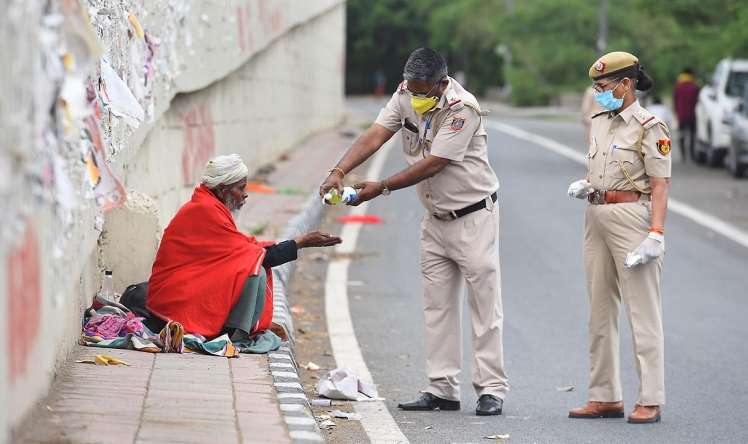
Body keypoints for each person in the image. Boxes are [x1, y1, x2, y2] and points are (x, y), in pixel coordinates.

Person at [319, 48, 509, 416]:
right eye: (412, 89)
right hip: (435, 219)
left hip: (473, 218)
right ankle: (442, 389)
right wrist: (338, 171)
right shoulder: (405, 93)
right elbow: (376, 134)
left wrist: (382, 186)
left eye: (424, 91)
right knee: (437, 306)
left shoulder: (461, 108)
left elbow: (435, 163)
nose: (416, 97)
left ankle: (491, 389)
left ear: (442, 83)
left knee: (484, 308)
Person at [567, 52, 671, 424]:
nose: (598, 94)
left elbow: (659, 185)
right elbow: (600, 166)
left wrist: (655, 234)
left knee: (642, 312)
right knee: (599, 310)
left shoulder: (649, 126)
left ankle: (651, 398)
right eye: (595, 88)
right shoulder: (599, 121)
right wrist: (589, 184)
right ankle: (604, 395)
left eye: (604, 87)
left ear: (626, 85)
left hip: (633, 217)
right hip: (595, 215)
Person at [147, 154, 341, 345]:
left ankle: (236, 327)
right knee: (254, 271)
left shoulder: (211, 206)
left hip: (185, 286)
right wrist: (301, 242)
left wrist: (298, 242)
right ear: (224, 190)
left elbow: (244, 247)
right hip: (173, 296)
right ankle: (237, 333)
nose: (245, 194)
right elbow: (255, 256)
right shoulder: (204, 210)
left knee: (251, 262)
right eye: (240, 188)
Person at [672, 68, 699, 162]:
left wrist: (676, 112)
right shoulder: (695, 87)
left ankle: (683, 155)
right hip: (692, 115)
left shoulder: (678, 87)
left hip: (681, 115)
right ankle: (692, 155)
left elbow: (675, 101)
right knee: (692, 136)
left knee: (682, 136)